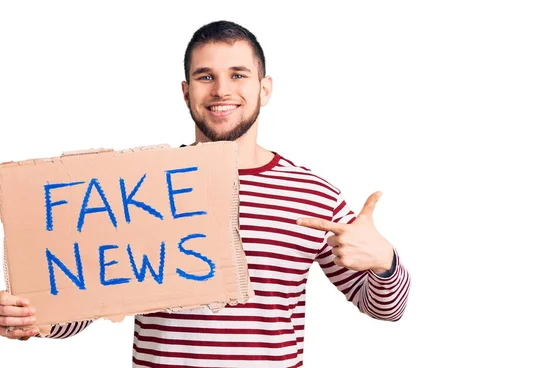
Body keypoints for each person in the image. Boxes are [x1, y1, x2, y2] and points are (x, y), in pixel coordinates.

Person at [0, 20, 411, 367]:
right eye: (205, 76)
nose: (220, 90)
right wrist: (30, 318)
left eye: (237, 74)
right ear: (186, 91)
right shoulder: (136, 189)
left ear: (264, 89)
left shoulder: (313, 195)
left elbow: (385, 309)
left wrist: (384, 262)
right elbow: (84, 304)